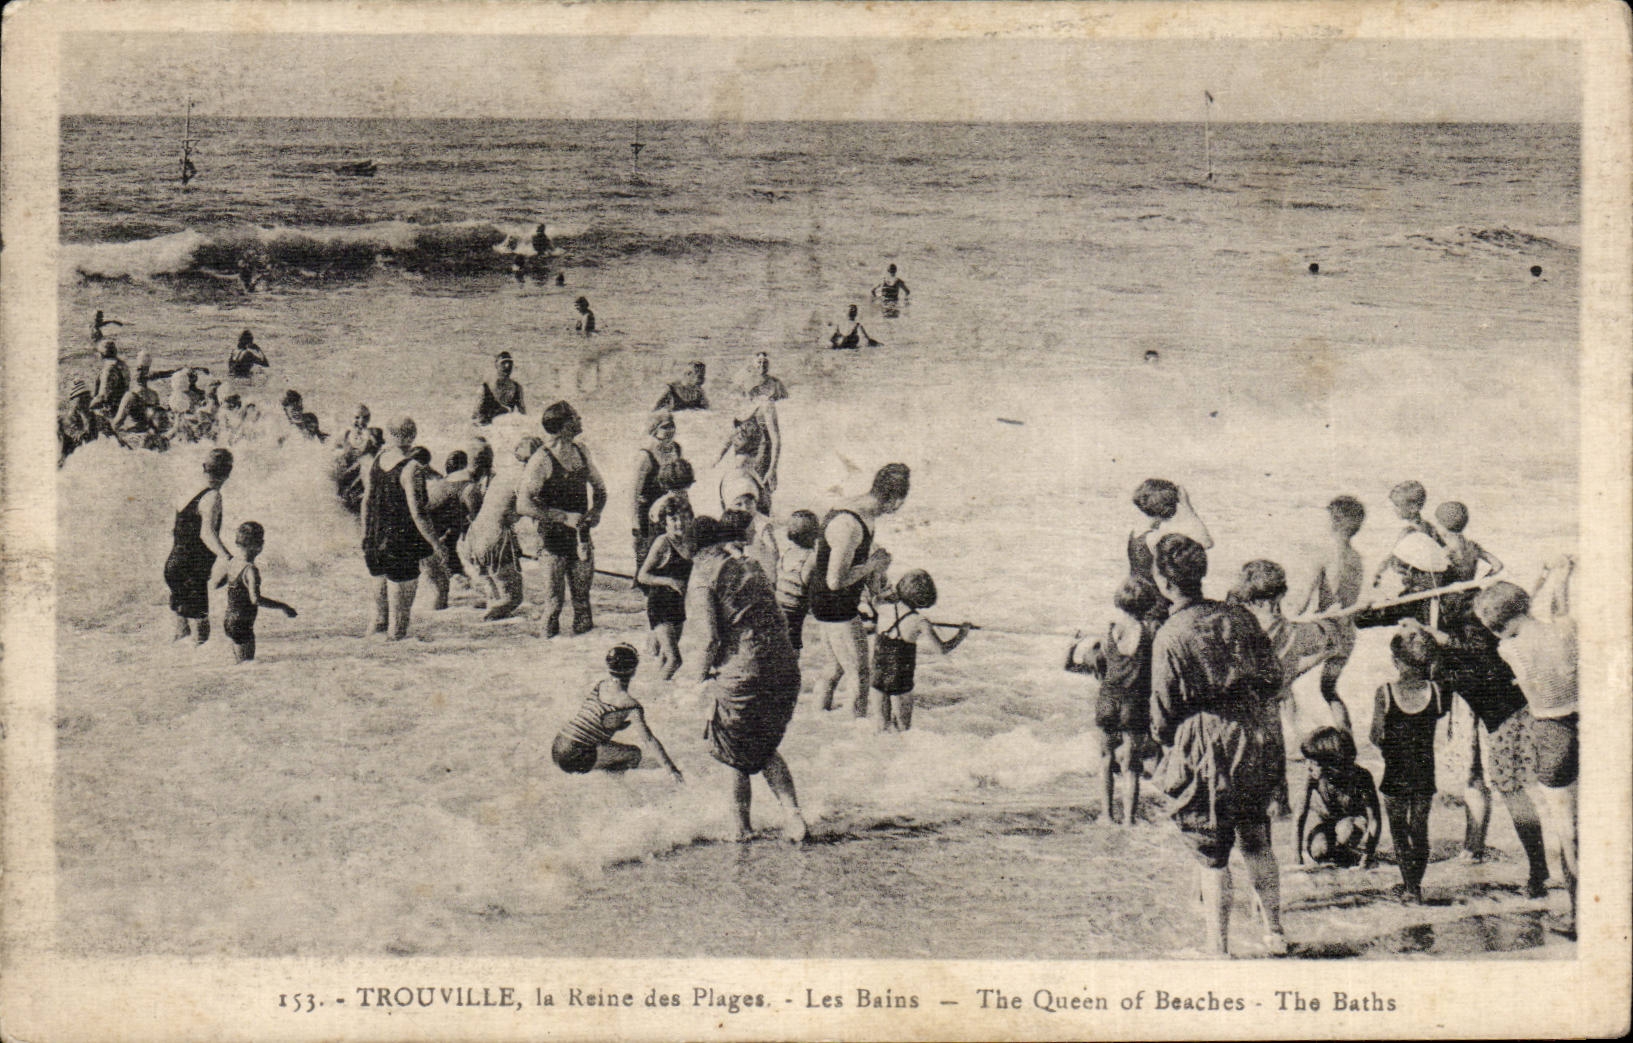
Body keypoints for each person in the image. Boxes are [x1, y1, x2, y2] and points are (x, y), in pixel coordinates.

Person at [1147, 534, 1288, 956]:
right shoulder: (1239, 616)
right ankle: (1275, 934)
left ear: (1164, 582)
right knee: (1257, 839)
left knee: (1212, 854)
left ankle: (1218, 949)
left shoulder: (1170, 634)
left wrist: (1168, 743)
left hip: (1207, 743)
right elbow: (1273, 677)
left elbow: (1163, 710)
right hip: (1255, 734)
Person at [1399, 614, 1549, 892]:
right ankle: (1540, 869)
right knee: (1528, 795)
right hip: (1525, 715)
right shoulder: (1463, 647)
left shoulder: (1445, 669)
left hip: (1508, 725)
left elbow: (1438, 708)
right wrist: (1423, 631)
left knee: (1515, 796)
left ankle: (1539, 871)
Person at [686, 516, 806, 842]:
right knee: (763, 746)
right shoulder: (751, 566)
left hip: (746, 671)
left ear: (690, 549)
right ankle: (793, 815)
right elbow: (778, 617)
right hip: (784, 667)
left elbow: (710, 639)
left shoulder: (702, 579)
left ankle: (741, 829)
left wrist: (697, 680)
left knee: (733, 751)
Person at [1473, 559, 1577, 936]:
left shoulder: (1509, 652)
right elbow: (1557, 610)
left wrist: (1539, 580)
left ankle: (1579, 914)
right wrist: (1559, 576)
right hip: (1581, 723)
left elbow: (1507, 625)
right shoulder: (1565, 631)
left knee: (1568, 830)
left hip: (1550, 732)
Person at [1229, 559, 1349, 814]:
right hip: (1271, 700)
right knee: (1272, 756)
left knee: (1242, 769)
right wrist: (1338, 619)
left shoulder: (1235, 621)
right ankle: (1278, 805)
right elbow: (1330, 639)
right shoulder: (1290, 631)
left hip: (1238, 705)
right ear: (1282, 593)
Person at [811, 464, 908, 720]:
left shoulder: (857, 510)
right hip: (836, 605)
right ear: (896, 501)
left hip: (824, 602)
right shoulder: (850, 524)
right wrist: (872, 566)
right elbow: (835, 580)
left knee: (834, 668)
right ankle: (854, 733)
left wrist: (875, 572)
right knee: (860, 674)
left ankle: (818, 721)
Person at [1068, 576, 1163, 825]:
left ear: (1119, 603)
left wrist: (1074, 644)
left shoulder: (1109, 631)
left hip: (1108, 700)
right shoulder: (1150, 633)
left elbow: (1094, 660)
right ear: (1148, 605)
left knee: (1106, 759)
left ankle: (1106, 816)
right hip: (1136, 704)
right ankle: (1130, 820)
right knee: (1131, 767)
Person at [1369, 627, 1449, 904]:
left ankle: (1410, 887)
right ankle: (1416, 886)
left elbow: (1374, 736)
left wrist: (1389, 748)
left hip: (1396, 771)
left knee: (1399, 832)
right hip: (1425, 772)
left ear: (1396, 661)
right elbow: (1437, 715)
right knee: (1420, 830)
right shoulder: (1437, 691)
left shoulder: (1386, 692)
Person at [518, 401, 607, 637]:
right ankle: (547, 659)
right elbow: (523, 504)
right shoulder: (542, 459)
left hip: (580, 537)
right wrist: (560, 516)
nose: (580, 421)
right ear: (565, 425)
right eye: (576, 418)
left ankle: (580, 657)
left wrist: (596, 511)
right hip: (552, 540)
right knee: (554, 605)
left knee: (582, 603)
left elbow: (600, 489)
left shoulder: (581, 451)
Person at [360, 417, 443, 640]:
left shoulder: (378, 459)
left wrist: (364, 535)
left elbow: (366, 501)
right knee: (398, 625)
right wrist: (436, 545)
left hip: (374, 542)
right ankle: (395, 666)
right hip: (401, 546)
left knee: (378, 619)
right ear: (412, 436)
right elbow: (418, 513)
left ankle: (367, 659)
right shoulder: (412, 467)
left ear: (388, 435)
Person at [551, 644, 683, 781]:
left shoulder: (601, 685)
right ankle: (610, 779)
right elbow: (649, 740)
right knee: (634, 754)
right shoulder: (631, 705)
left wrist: (617, 725)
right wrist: (671, 770)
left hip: (557, 748)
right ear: (633, 671)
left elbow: (596, 717)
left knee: (599, 744)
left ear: (609, 668)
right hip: (576, 756)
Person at [1294, 495, 1366, 734]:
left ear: (1333, 520)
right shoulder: (1357, 558)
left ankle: (1293, 740)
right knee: (1328, 690)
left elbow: (1301, 602)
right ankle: (1347, 740)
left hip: (1325, 630)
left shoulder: (1324, 553)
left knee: (1279, 679)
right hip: (1346, 633)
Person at [870, 569, 969, 732]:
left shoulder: (883, 609)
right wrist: (961, 634)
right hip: (900, 679)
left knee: (880, 726)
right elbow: (941, 650)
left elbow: (876, 599)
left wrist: (888, 595)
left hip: (878, 674)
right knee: (903, 729)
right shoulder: (920, 621)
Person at [465, 436, 539, 622]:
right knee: (513, 599)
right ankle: (490, 621)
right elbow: (530, 511)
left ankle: (489, 616)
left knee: (495, 593)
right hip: (496, 540)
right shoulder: (529, 478)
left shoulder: (505, 474)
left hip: (474, 537)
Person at [164, 449, 234, 644]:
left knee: (181, 634)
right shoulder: (213, 496)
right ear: (228, 472)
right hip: (191, 571)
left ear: (204, 468)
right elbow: (207, 534)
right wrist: (227, 557)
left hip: (173, 566)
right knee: (201, 639)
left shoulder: (188, 489)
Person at [1292, 727, 1380, 869]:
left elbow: (1375, 819)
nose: (1308, 766)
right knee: (1319, 850)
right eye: (1306, 760)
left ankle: (1352, 855)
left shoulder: (1361, 776)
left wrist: (1369, 854)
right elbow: (1299, 816)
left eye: (1313, 762)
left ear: (1330, 762)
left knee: (1345, 831)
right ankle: (1345, 856)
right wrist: (1297, 858)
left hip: (1353, 821)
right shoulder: (1311, 777)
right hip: (1327, 822)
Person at [1127, 478, 1213, 622]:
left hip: (1142, 602)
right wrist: (1188, 507)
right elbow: (1207, 542)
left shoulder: (1137, 532)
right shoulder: (1158, 537)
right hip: (1161, 607)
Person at [215, 521, 297, 663]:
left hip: (229, 619)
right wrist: (283, 606)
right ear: (259, 546)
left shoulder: (233, 563)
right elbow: (256, 599)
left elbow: (217, 583)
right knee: (247, 665)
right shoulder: (250, 570)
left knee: (240, 664)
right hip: (242, 622)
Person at [636, 497, 695, 680]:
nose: (680, 523)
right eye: (674, 519)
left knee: (665, 656)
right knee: (675, 659)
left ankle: (658, 691)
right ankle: (656, 693)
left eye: (684, 518)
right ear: (665, 522)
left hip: (678, 606)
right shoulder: (662, 542)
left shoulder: (690, 542)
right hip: (660, 604)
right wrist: (670, 581)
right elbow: (642, 576)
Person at [631, 410, 684, 584]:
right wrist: (635, 522)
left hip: (671, 506)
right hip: (648, 511)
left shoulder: (676, 448)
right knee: (648, 548)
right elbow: (633, 492)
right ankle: (643, 581)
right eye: (665, 427)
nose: (670, 430)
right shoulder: (645, 455)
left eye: (672, 425)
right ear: (654, 429)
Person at [1431, 500, 1504, 621]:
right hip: (1470, 594)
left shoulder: (1446, 550)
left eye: (1438, 522)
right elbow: (1497, 565)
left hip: (1450, 600)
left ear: (1443, 524)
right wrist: (1481, 581)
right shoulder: (1472, 545)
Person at [773, 510, 820, 655]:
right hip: (793, 616)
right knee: (792, 656)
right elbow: (811, 587)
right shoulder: (811, 558)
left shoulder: (787, 553)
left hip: (777, 610)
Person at [111, 357, 167, 450]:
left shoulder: (130, 396)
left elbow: (118, 422)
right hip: (151, 437)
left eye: (138, 370)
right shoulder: (154, 395)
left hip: (137, 438)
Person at [58, 379, 107, 464]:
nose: (86, 403)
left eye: (88, 399)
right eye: (82, 400)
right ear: (75, 403)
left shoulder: (96, 419)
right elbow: (85, 440)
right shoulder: (64, 421)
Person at [473, 351, 526, 424]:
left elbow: (523, 414)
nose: (507, 366)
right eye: (503, 363)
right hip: (487, 429)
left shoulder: (517, 388)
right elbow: (475, 415)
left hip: (507, 427)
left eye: (510, 363)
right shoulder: (485, 388)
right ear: (496, 365)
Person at [89, 340, 130, 418]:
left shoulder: (109, 369)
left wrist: (89, 406)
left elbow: (102, 396)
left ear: (101, 354)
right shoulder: (123, 365)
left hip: (109, 410)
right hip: (122, 406)